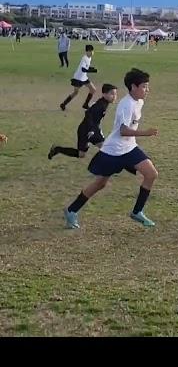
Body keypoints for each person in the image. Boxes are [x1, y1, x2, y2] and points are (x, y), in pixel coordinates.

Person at [63, 68, 159, 229]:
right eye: (144, 86)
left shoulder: (139, 101)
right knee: (100, 184)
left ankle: (137, 212)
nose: (147, 90)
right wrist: (145, 133)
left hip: (129, 148)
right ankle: (71, 210)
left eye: (147, 86)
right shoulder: (126, 104)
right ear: (133, 87)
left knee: (151, 174)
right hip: (113, 150)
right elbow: (123, 131)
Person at [49, 84, 118, 160]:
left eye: (115, 94)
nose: (114, 96)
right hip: (88, 130)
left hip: (88, 129)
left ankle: (57, 149)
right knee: (105, 147)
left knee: (81, 154)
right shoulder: (100, 105)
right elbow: (88, 113)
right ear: (104, 94)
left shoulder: (103, 103)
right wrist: (91, 129)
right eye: (112, 94)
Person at [59, 44, 98, 111]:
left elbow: (87, 67)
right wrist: (92, 70)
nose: (92, 52)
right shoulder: (84, 58)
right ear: (87, 52)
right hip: (78, 78)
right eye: (91, 51)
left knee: (93, 89)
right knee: (75, 92)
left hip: (84, 77)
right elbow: (83, 69)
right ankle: (63, 104)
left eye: (92, 51)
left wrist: (93, 69)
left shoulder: (89, 58)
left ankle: (85, 104)